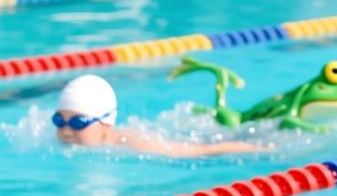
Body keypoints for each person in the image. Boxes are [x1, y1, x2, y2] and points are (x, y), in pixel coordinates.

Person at [54, 74, 265, 157]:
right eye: (59, 120)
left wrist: (260, 149)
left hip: (205, 139)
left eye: (78, 122)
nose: (65, 130)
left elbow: (202, 150)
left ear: (106, 122)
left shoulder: (137, 145)